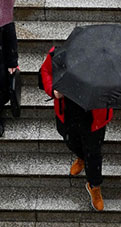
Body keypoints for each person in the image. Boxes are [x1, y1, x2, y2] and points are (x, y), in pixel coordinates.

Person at [39, 46, 113, 211]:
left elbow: (113, 87)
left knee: (93, 154)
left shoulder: (104, 63)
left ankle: (94, 185)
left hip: (94, 118)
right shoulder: (57, 55)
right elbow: (45, 72)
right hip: (68, 113)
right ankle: (80, 156)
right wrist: (53, 90)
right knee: (71, 142)